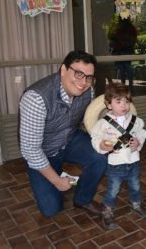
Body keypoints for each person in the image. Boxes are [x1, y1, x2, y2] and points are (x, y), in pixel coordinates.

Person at [19, 50, 107, 217]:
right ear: (63, 70)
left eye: (89, 77)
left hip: (70, 138)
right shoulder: (36, 98)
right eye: (79, 73)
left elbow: (90, 120)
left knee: (100, 156)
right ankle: (57, 175)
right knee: (51, 209)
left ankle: (83, 199)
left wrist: (107, 135)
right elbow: (30, 149)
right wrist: (57, 181)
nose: (84, 82)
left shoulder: (88, 91)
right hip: (43, 150)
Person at [90, 83, 146, 230]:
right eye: (118, 101)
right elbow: (95, 136)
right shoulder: (103, 123)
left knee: (135, 186)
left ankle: (136, 205)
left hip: (133, 161)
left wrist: (138, 141)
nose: (124, 105)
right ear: (109, 105)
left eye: (126, 101)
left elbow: (142, 132)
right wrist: (101, 144)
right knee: (113, 189)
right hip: (115, 163)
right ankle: (107, 211)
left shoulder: (136, 121)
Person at [109, 17, 137, 94]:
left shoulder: (119, 29)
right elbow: (133, 40)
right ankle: (130, 88)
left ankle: (123, 87)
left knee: (122, 70)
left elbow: (114, 40)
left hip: (120, 52)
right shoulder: (131, 29)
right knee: (127, 69)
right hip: (128, 51)